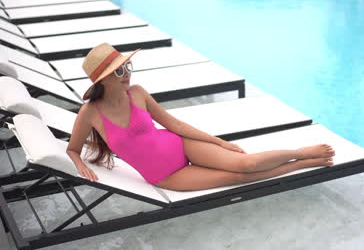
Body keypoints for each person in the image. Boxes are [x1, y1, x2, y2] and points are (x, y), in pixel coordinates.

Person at [66, 43, 335, 191]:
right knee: (239, 178)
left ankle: (299, 153)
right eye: (119, 72)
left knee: (248, 164)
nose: (127, 74)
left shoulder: (137, 93)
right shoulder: (90, 113)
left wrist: (219, 142)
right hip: (166, 176)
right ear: (103, 80)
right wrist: (79, 163)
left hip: (181, 145)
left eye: (127, 67)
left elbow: (174, 125)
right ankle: (300, 165)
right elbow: (73, 149)